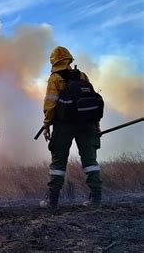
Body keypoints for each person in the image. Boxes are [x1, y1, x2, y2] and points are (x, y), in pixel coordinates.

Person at [40, 46, 103, 209]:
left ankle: (52, 199)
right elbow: (92, 102)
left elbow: (50, 104)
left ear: (53, 62)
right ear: (69, 59)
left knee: (58, 161)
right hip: (87, 124)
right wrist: (96, 125)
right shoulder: (82, 76)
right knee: (90, 160)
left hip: (64, 125)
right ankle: (96, 196)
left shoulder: (55, 78)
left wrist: (47, 125)